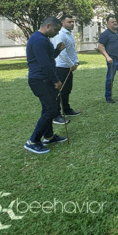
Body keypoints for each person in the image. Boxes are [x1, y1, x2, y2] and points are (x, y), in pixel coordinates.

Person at [24, 17, 67, 154]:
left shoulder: (42, 39)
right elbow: (45, 64)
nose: (56, 33)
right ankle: (33, 141)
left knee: (49, 109)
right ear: (48, 26)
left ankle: (48, 137)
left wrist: (57, 50)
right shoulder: (38, 40)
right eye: (56, 30)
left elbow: (48, 58)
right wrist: (56, 80)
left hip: (44, 79)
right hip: (40, 80)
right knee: (51, 110)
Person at [52, 14, 81, 121]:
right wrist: (71, 64)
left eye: (73, 22)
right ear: (62, 23)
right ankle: (56, 115)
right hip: (60, 67)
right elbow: (62, 53)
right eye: (69, 22)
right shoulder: (59, 34)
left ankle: (66, 109)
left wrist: (76, 62)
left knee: (67, 90)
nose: (72, 24)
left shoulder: (69, 34)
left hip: (68, 67)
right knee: (59, 91)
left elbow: (72, 50)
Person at [98, 15, 118, 103]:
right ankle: (108, 97)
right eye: (112, 22)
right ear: (107, 23)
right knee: (110, 79)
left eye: (115, 21)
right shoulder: (105, 34)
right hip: (112, 60)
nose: (115, 23)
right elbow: (100, 46)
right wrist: (107, 56)